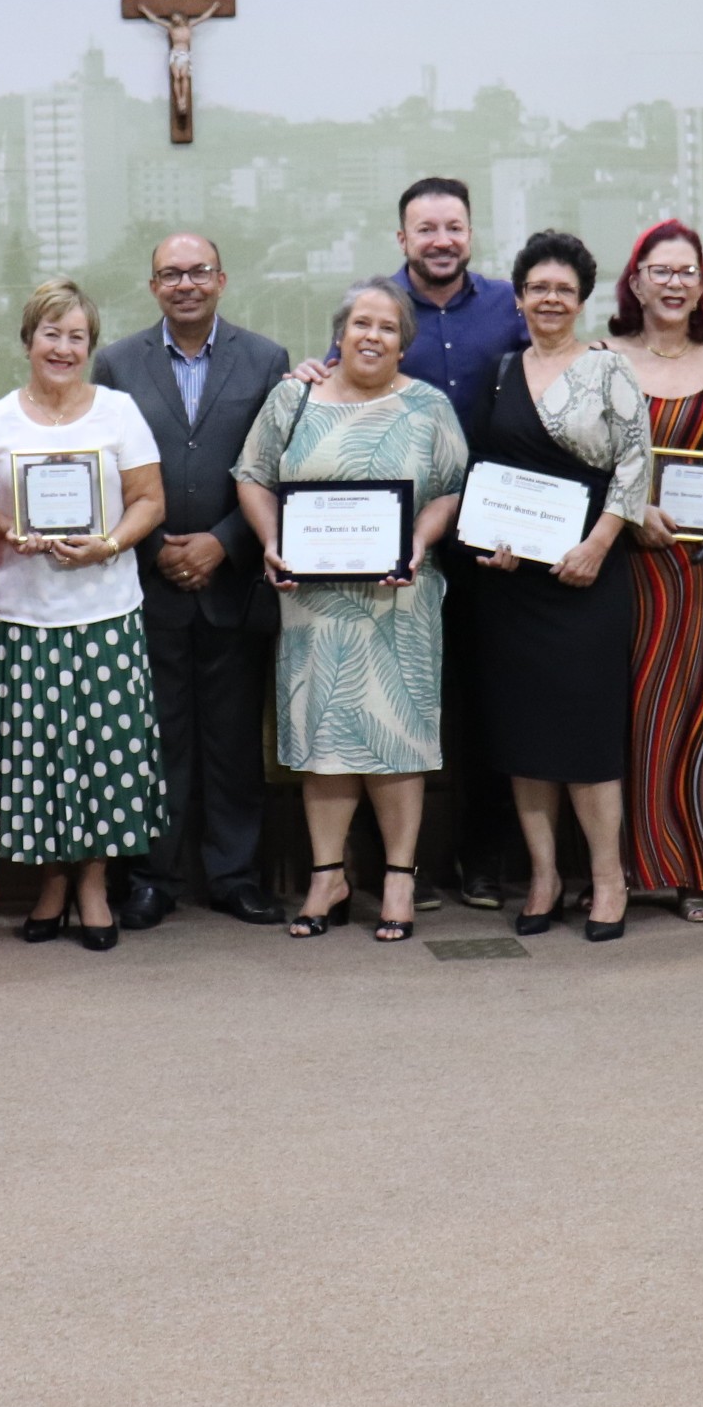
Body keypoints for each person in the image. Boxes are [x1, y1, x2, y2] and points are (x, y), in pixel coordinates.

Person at [300, 178, 530, 909]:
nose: (441, 240)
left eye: (453, 227)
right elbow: (336, 386)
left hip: (494, 535)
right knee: (381, 703)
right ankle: (397, 869)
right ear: (403, 238)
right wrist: (310, 371)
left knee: (485, 703)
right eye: (425, 228)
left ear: (470, 234)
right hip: (389, 550)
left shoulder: (507, 307)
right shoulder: (377, 308)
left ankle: (484, 862)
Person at [234, 280, 471, 943]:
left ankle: (399, 876)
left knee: (396, 735)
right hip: (311, 603)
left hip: (400, 597)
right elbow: (251, 474)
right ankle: (327, 875)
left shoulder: (428, 406)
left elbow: (451, 489)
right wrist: (273, 543)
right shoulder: (294, 397)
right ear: (338, 334)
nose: (372, 336)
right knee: (324, 737)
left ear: (404, 342)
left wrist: (420, 542)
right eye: (360, 324)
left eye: (388, 327)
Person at [0, 280, 170, 950]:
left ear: (90, 347)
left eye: (77, 336)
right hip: (22, 615)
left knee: (107, 755)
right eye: (52, 334)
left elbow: (149, 502)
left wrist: (108, 543)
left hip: (105, 612)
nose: (64, 347)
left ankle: (93, 885)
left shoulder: (119, 411)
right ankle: (51, 881)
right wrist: (6, 527)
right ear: (28, 342)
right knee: (38, 756)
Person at [90, 234, 292, 926]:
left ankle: (235, 875)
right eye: (170, 274)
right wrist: (157, 551)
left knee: (236, 739)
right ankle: (154, 876)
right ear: (152, 287)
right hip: (144, 581)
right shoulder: (116, 363)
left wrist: (224, 543)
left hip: (233, 579)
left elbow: (276, 468)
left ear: (221, 279)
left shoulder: (265, 360)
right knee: (157, 736)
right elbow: (101, 469)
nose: (185, 283)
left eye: (198, 271)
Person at [471, 232, 652, 941]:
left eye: (563, 290)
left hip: (588, 581)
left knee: (586, 737)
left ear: (582, 301)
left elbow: (635, 468)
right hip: (514, 588)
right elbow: (489, 470)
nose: (550, 299)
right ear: (519, 298)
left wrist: (599, 545)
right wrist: (496, 544)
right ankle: (544, 876)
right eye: (537, 288)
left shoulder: (610, 371)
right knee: (525, 737)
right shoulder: (496, 372)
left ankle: (608, 880)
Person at [608, 220, 703, 920]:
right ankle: (627, 868)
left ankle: (697, 869)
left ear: (702, 281)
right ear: (635, 279)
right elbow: (590, 465)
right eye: (659, 270)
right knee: (631, 716)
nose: (674, 283)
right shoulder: (601, 358)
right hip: (631, 566)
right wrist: (631, 511)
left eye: (686, 272)